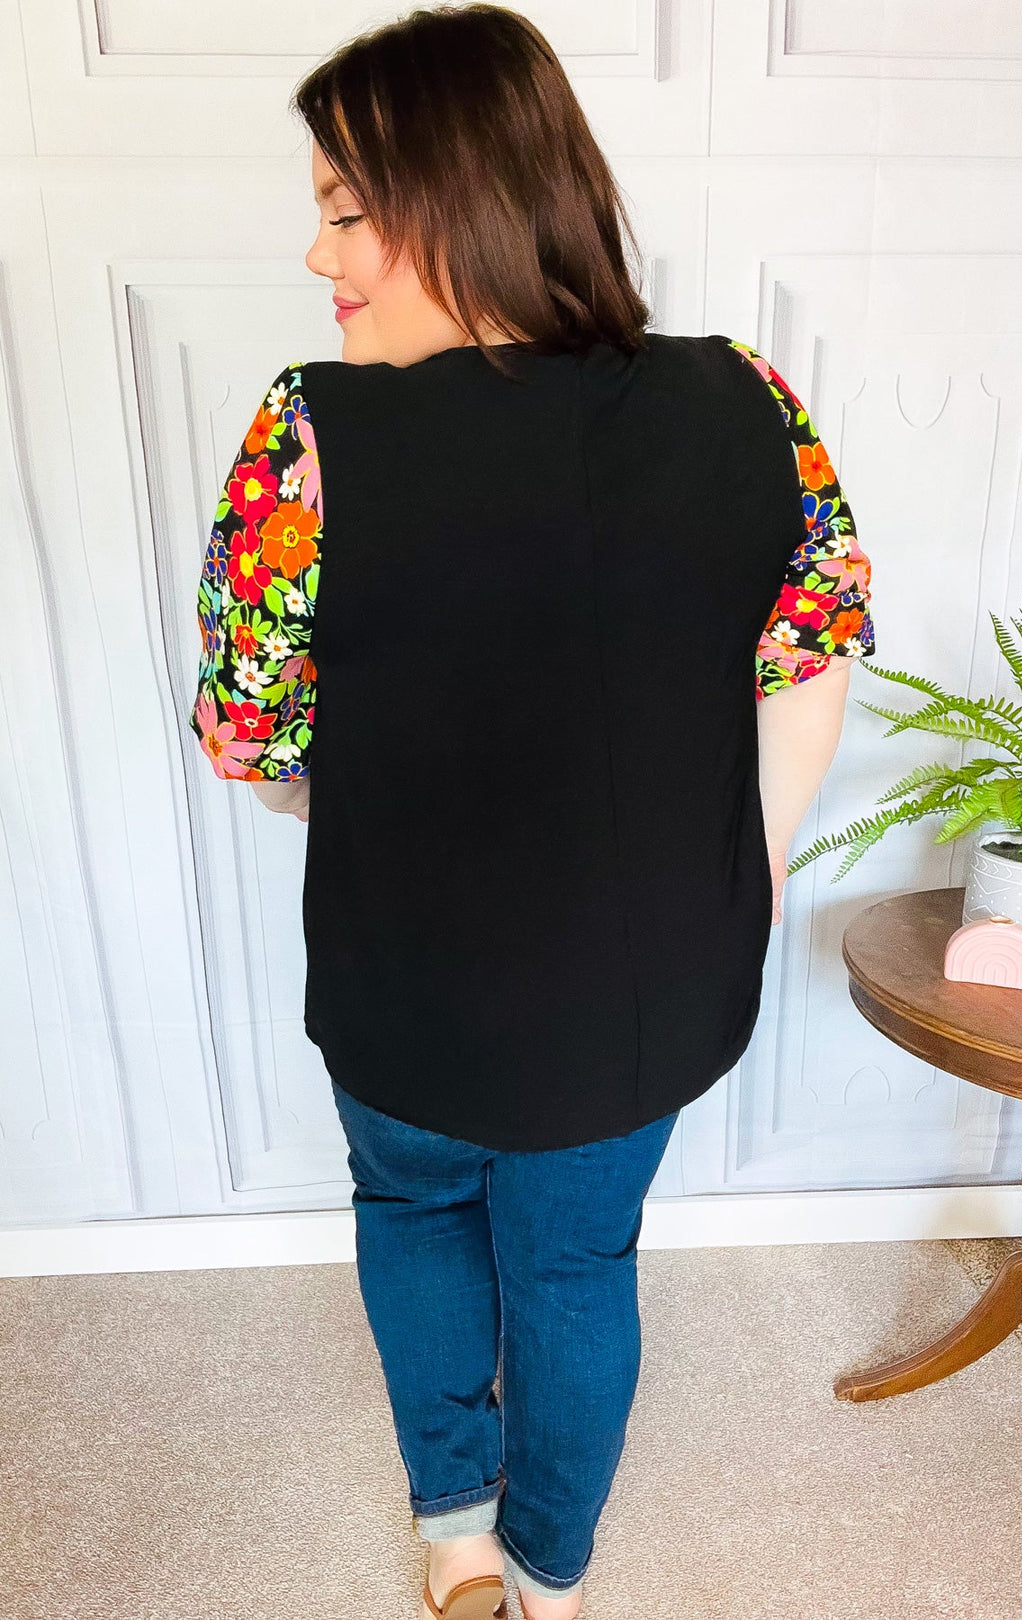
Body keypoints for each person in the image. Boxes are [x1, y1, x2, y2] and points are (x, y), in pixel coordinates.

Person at [188, 7, 875, 1617]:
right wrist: (758, 859)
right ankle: (551, 1572)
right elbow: (816, 648)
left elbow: (250, 736)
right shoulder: (748, 400)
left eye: (348, 210)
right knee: (575, 1263)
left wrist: (363, 796)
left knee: (415, 1209)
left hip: (408, 973)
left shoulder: (311, 434)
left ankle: (458, 1533)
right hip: (641, 984)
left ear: (464, 199)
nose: (316, 253)